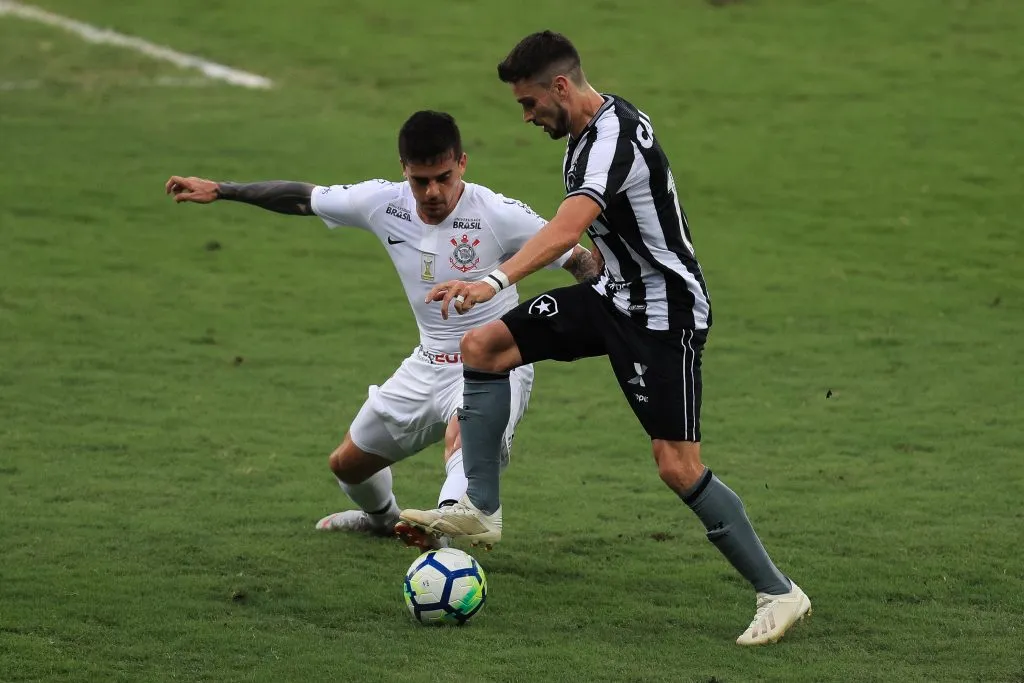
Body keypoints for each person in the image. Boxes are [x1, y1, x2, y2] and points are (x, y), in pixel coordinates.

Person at [398, 34, 811, 644]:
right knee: (484, 347)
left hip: (663, 314)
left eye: (530, 103)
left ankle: (779, 592)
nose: (527, 116)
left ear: (561, 87)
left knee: (677, 465)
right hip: (614, 296)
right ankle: (480, 507)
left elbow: (568, 227)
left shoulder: (613, 137)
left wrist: (493, 280)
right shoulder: (584, 136)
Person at [165, 110, 599, 549]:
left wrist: (613, 320)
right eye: (420, 181)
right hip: (426, 365)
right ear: (403, 170)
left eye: (444, 178)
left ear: (462, 164)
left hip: (492, 365)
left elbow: (581, 261)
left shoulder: (498, 214)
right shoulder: (383, 203)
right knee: (347, 465)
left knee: (462, 438)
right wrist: (223, 190)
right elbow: (304, 197)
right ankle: (382, 520)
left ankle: (447, 536)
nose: (432, 192)